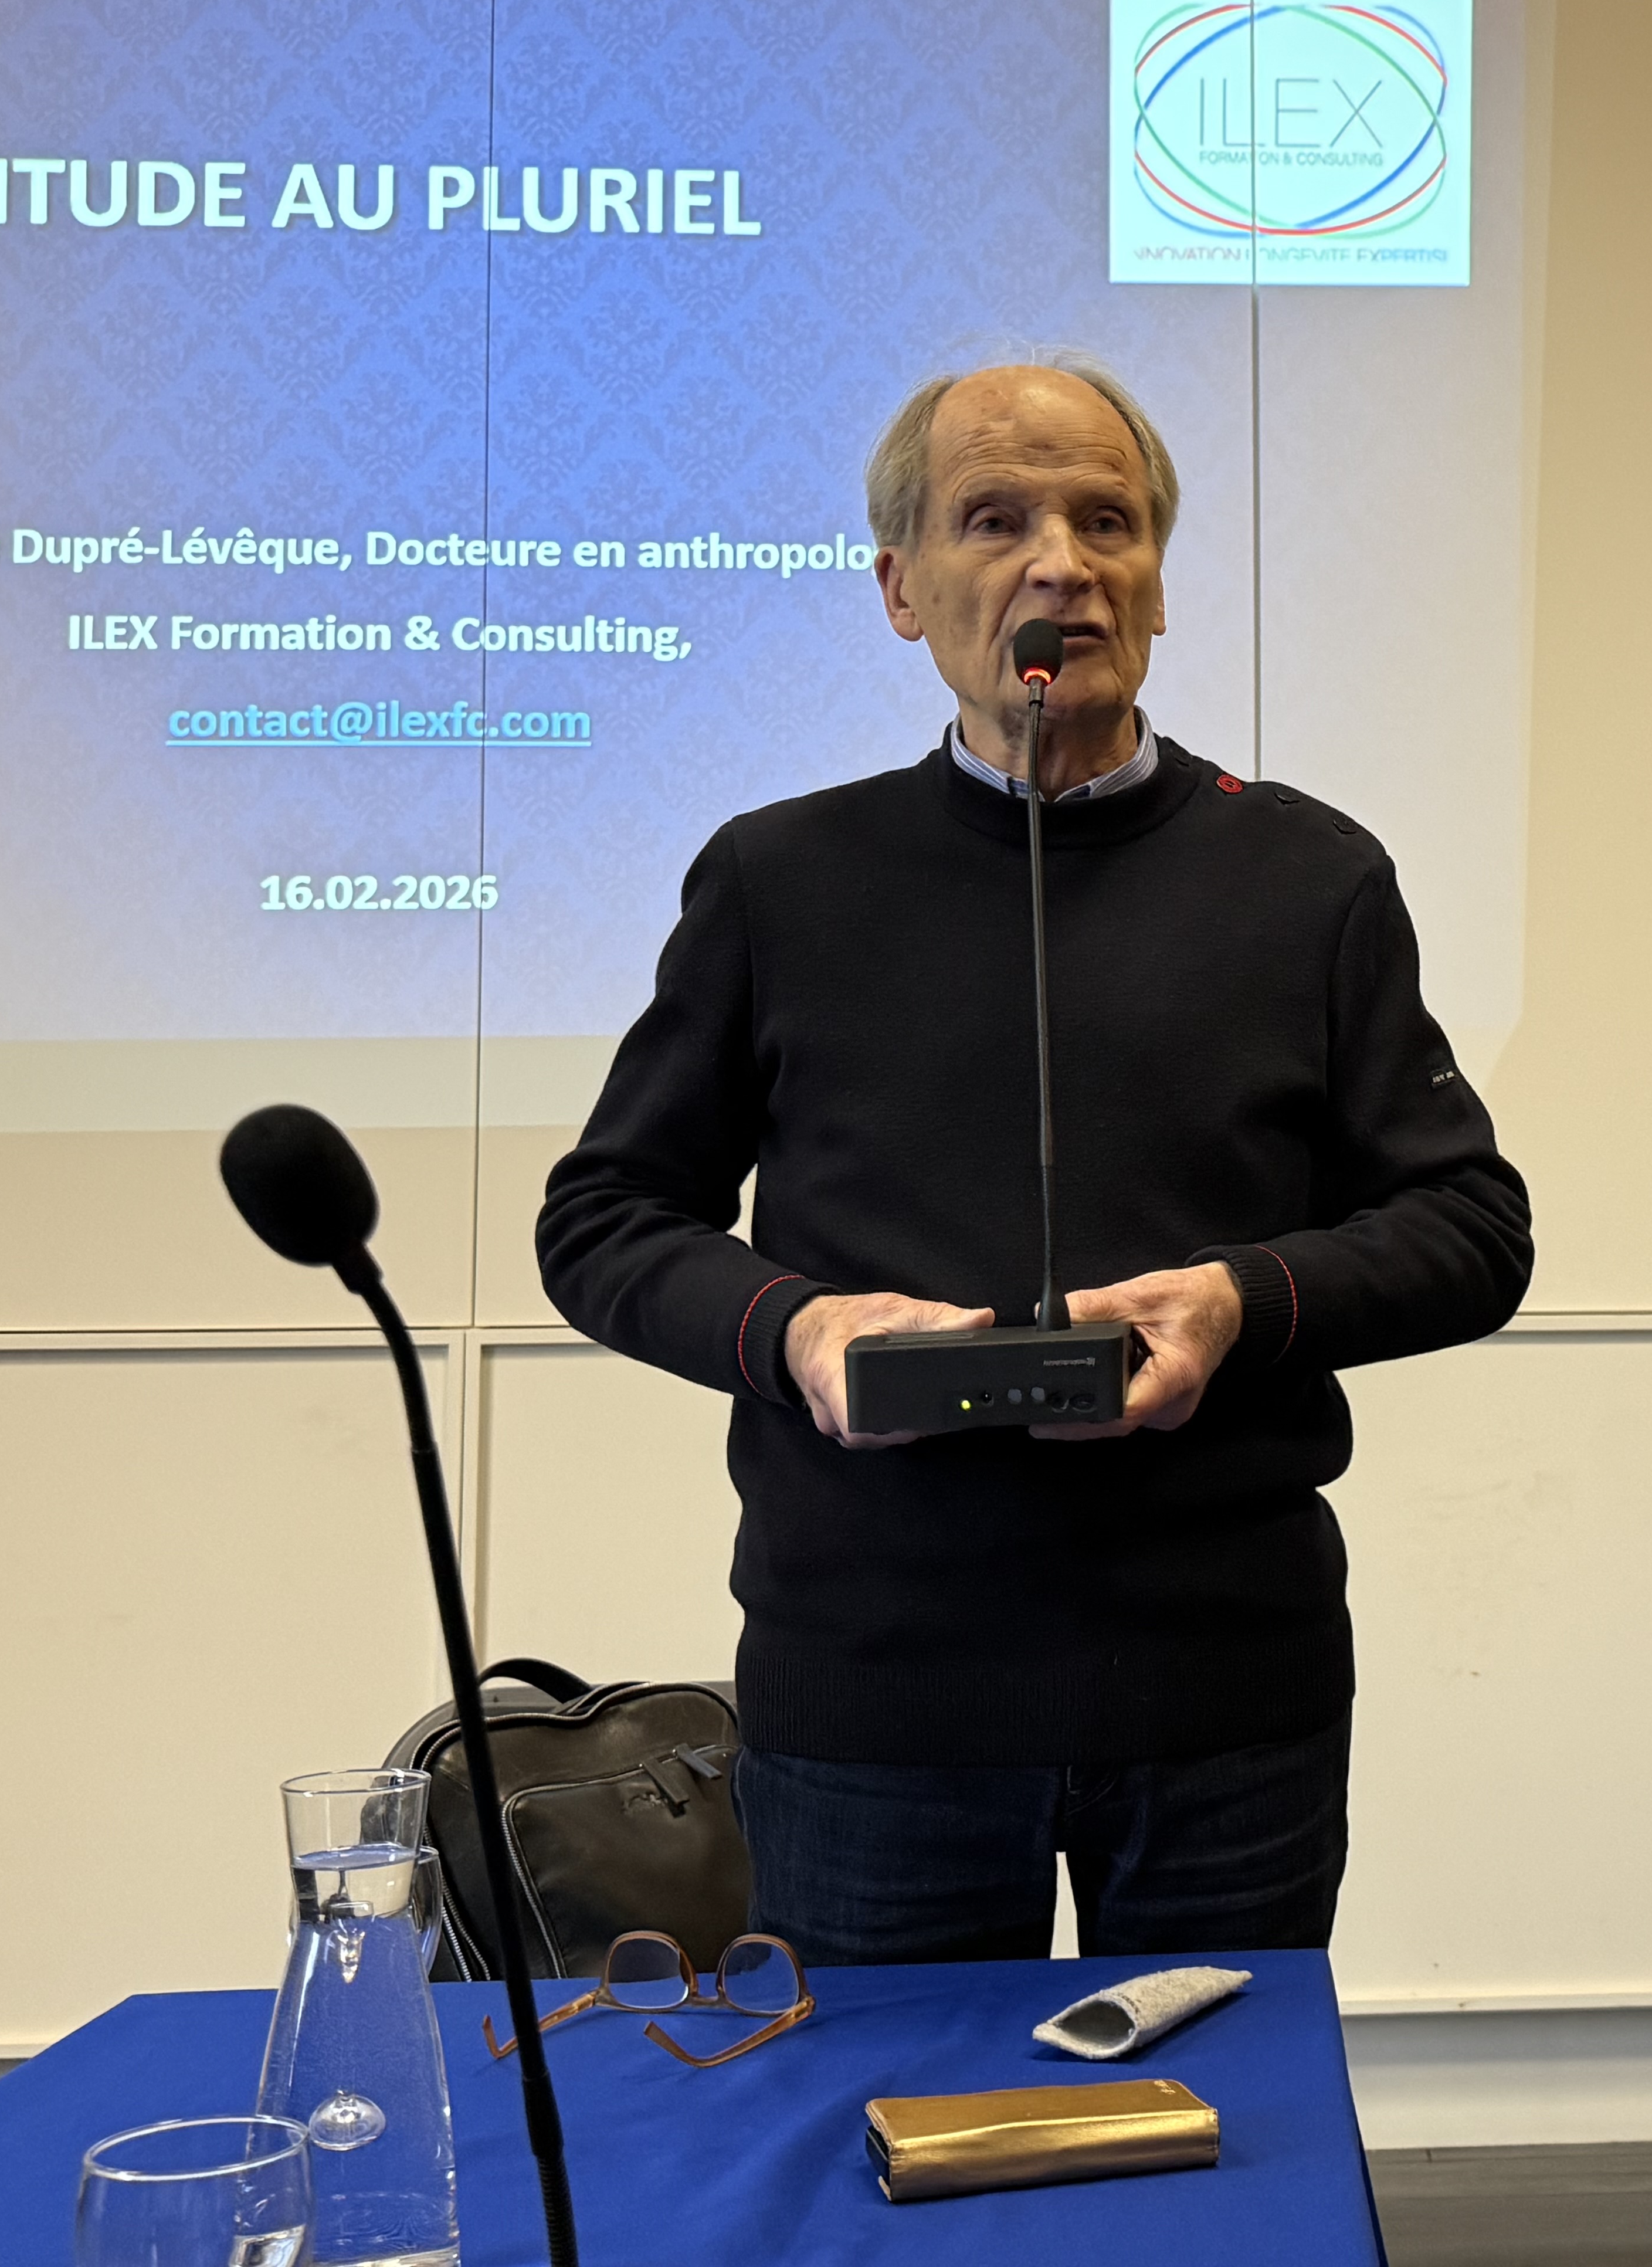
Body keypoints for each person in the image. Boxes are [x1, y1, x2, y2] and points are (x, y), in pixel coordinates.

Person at [540, 354, 1532, 1964]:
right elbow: (605, 1216)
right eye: (995, 519)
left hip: (1227, 1701)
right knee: (894, 2131)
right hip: (876, 1706)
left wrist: (1240, 1301)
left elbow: (1472, 1225)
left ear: (1159, 585)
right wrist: (800, 1331)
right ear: (901, 588)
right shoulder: (780, 880)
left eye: (1107, 522)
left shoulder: (1311, 876)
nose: (1061, 563)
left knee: (1213, 2128)